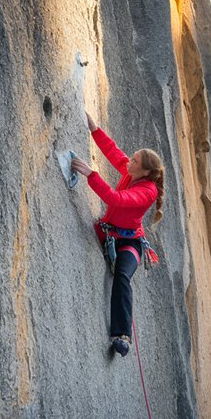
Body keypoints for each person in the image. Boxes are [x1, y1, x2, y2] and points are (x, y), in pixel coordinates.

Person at [71, 112, 164, 357]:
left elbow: (117, 199)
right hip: (109, 234)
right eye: (131, 158)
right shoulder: (131, 172)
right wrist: (94, 129)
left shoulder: (147, 191)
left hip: (130, 242)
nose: (128, 161)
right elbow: (113, 151)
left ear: (144, 172)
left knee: (122, 276)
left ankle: (122, 335)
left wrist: (90, 174)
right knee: (119, 272)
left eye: (134, 161)